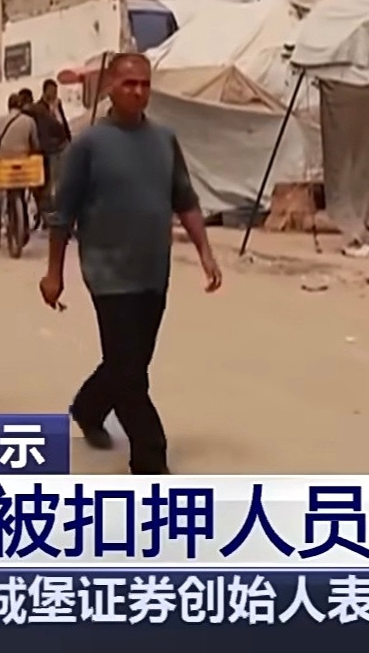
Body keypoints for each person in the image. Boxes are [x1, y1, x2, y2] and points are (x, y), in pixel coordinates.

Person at [41, 52, 221, 476]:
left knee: (132, 362)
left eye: (144, 84)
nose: (138, 92)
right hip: (108, 273)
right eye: (129, 84)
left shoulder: (164, 139)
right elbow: (62, 214)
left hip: (153, 271)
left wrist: (205, 252)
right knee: (130, 375)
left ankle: (89, 407)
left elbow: (185, 199)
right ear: (109, 87)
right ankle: (150, 460)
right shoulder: (88, 145)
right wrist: (54, 273)